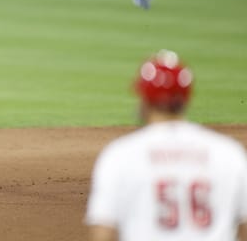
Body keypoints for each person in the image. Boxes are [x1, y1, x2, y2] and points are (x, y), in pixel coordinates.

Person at [84, 49, 247, 240]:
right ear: (187, 99)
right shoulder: (229, 153)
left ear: (144, 100)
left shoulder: (120, 155)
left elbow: (102, 233)